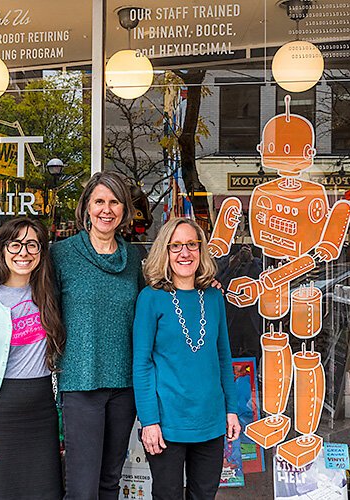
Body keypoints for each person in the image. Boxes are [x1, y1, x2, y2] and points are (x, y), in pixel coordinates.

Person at [133, 217, 241, 500]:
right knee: (167, 494)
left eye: (192, 245)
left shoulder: (214, 297)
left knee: (204, 494)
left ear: (201, 250)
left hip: (211, 418)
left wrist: (232, 409)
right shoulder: (150, 298)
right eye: (176, 246)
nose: (185, 253)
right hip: (167, 421)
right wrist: (149, 421)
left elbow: (222, 356)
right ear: (165, 252)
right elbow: (142, 364)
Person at [51, 171, 143, 499]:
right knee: (82, 486)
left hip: (125, 385)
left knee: (109, 480)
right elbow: (42, 306)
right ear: (87, 208)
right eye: (99, 201)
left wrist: (208, 284)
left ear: (124, 209)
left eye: (115, 202)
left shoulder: (135, 259)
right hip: (81, 382)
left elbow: (160, 300)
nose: (107, 209)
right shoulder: (61, 255)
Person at [0, 217, 65, 500]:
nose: (23, 252)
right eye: (15, 244)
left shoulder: (49, 297)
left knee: (42, 491)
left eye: (32, 245)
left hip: (41, 413)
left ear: (41, 253)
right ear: (2, 250)